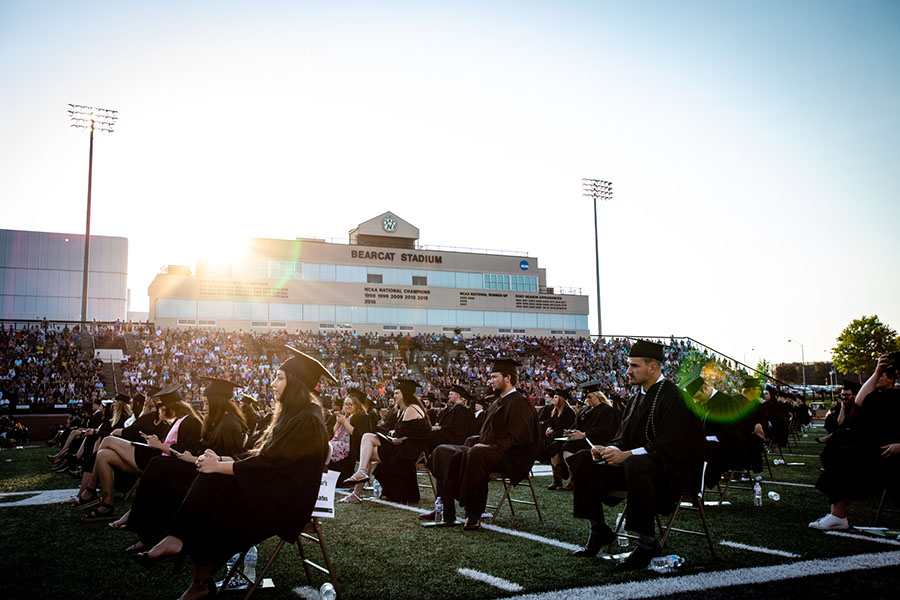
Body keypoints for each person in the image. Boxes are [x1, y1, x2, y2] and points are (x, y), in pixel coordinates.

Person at [134, 347, 333, 600]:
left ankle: (184, 551)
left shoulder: (308, 419)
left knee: (214, 488)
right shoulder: (291, 416)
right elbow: (260, 454)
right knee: (211, 488)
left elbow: (273, 465)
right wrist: (224, 460)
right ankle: (194, 571)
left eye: (279, 377)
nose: (272, 384)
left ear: (296, 383)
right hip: (272, 489)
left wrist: (220, 466)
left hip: (286, 503)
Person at [568, 340, 704, 569]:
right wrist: (606, 450)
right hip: (637, 468)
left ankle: (647, 543)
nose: (627, 371)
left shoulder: (675, 397)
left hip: (669, 470)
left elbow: (672, 444)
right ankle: (599, 529)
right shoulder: (634, 398)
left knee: (635, 464)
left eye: (634, 366)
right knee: (582, 459)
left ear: (653, 367)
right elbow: (622, 438)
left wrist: (627, 455)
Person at [119, 377, 247, 549]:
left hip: (213, 477)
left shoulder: (229, 425)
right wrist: (191, 457)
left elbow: (223, 459)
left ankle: (143, 528)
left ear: (217, 402)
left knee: (159, 466)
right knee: (158, 466)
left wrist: (192, 459)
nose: (205, 406)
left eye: (207, 402)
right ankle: (146, 532)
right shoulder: (220, 421)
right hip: (200, 466)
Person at [421, 358, 540, 530]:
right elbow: (486, 435)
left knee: (475, 454)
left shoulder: (519, 402)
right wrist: (477, 443)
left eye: (494, 377)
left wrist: (489, 447)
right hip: (489, 451)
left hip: (511, 456)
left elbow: (518, 438)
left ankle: (473, 514)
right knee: (443, 451)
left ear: (508, 377)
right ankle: (445, 510)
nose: (490, 380)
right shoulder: (496, 402)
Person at [78, 386, 203, 522]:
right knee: (103, 455)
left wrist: (159, 445)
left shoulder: (190, 421)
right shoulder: (177, 421)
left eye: (164, 408)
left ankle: (90, 491)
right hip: (156, 457)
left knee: (108, 440)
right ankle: (107, 506)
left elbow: (185, 451)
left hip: (159, 462)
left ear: (173, 406)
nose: (162, 412)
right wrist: (153, 440)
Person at [809, 353, 900, 530]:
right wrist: (877, 371)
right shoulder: (883, 397)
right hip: (880, 449)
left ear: (892, 379)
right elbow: (860, 400)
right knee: (841, 455)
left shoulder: (896, 396)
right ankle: (838, 516)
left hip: (895, 450)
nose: (877, 378)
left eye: (882, 375)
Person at [341, 379, 431, 503]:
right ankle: (360, 478)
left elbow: (401, 435)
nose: (394, 395)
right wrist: (391, 433)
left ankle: (357, 491)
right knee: (367, 438)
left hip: (407, 451)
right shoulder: (405, 410)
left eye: (397, 393)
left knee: (368, 447)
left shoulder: (411, 409)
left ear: (405, 394)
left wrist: (392, 433)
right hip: (401, 446)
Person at [555, 381, 620, 492]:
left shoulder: (606, 410)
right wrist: (570, 432)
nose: (588, 400)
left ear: (598, 396)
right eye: (587, 397)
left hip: (594, 439)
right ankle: (558, 477)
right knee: (554, 446)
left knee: (567, 447)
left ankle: (573, 479)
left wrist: (584, 434)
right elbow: (576, 424)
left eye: (590, 397)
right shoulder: (584, 410)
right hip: (580, 438)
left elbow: (604, 429)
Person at [330, 389, 372, 484]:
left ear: (356, 405)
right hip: (338, 443)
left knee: (329, 447)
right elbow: (333, 434)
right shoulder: (345, 416)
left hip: (351, 446)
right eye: (346, 404)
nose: (347, 407)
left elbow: (357, 435)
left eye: (350, 404)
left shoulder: (362, 417)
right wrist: (338, 422)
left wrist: (344, 422)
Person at [541, 389, 577, 489]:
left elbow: (566, 427)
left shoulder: (567, 411)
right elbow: (552, 423)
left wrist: (553, 431)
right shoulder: (555, 410)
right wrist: (549, 428)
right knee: (551, 450)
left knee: (554, 450)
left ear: (561, 399)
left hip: (564, 438)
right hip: (555, 438)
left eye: (556, 397)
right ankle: (556, 480)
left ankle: (570, 480)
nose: (554, 399)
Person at [426, 384, 475, 453]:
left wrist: (439, 428)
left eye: (451, 394)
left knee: (430, 435)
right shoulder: (454, 409)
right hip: (448, 434)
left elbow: (457, 429)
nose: (449, 396)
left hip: (454, 438)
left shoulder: (461, 410)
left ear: (457, 395)